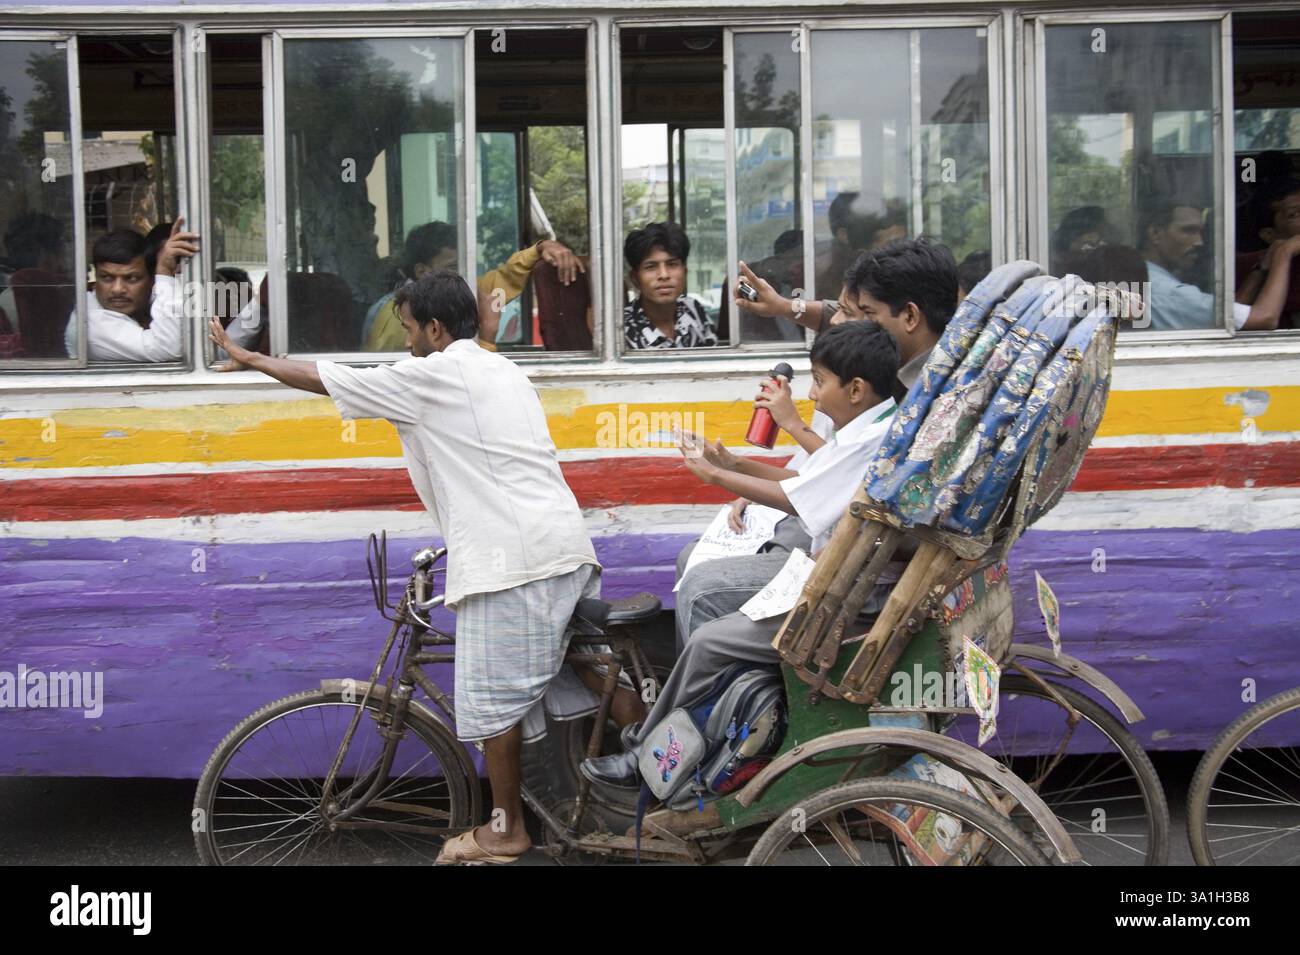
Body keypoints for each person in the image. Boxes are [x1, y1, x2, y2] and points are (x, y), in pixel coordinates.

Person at [581, 321, 900, 789]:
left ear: (855, 388)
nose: (813, 393)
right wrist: (731, 464)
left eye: (821, 380)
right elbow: (805, 484)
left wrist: (715, 477)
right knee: (706, 604)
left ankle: (657, 755)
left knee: (708, 636)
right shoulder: (866, 429)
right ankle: (690, 736)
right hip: (831, 581)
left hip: (843, 598)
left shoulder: (870, 439)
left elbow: (796, 499)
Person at [361, 221, 584, 352]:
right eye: (452, 266)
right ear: (422, 271)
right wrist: (487, 336)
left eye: (465, 265)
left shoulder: (461, 293)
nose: (461, 274)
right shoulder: (391, 316)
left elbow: (507, 278)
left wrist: (542, 248)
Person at [1139, 197, 1297, 332]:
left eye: (1200, 232)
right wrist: (1285, 252)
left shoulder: (1149, 277)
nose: (1199, 242)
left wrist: (1261, 270)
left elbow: (1227, 318)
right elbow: (1265, 318)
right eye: (1189, 231)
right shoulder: (1166, 292)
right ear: (1155, 233)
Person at [64, 221, 198, 362]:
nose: (117, 289)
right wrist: (164, 272)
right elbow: (167, 348)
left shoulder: (144, 300)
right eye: (107, 278)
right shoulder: (90, 322)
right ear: (96, 279)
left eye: (132, 279)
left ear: (152, 281)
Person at [623, 221, 719, 349]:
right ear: (635, 278)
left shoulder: (694, 309)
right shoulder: (622, 328)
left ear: (684, 272)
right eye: (651, 267)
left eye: (672, 264)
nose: (664, 275)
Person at [1236, 178, 1300, 329]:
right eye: (1294, 215)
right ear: (1269, 235)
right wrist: (1284, 252)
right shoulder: (1250, 268)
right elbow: (1232, 320)